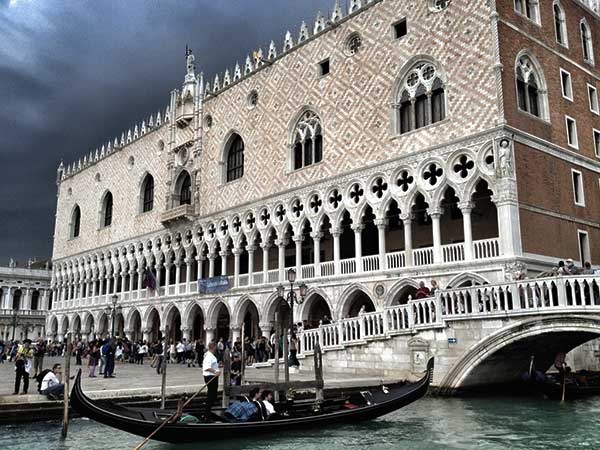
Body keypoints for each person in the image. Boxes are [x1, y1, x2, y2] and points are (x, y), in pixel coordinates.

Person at [202, 342, 220, 422]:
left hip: (211, 377)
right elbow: (207, 367)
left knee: (213, 395)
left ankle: (207, 413)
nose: (216, 349)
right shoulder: (209, 356)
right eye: (216, 347)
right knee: (211, 396)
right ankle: (207, 415)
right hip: (211, 377)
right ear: (213, 347)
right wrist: (215, 371)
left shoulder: (209, 355)